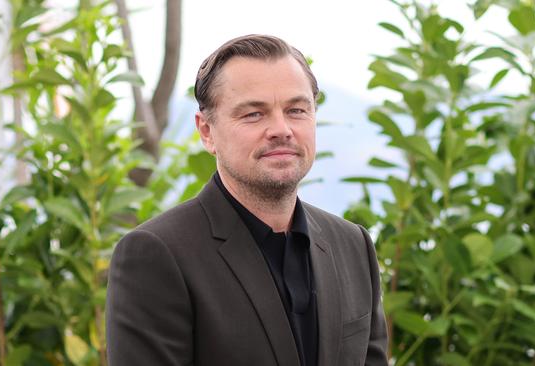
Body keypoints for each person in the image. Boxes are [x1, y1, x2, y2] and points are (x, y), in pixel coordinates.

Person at [106, 34, 388, 366]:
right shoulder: (156, 255)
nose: (281, 129)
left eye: (296, 110)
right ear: (207, 132)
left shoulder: (353, 245)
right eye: (254, 114)